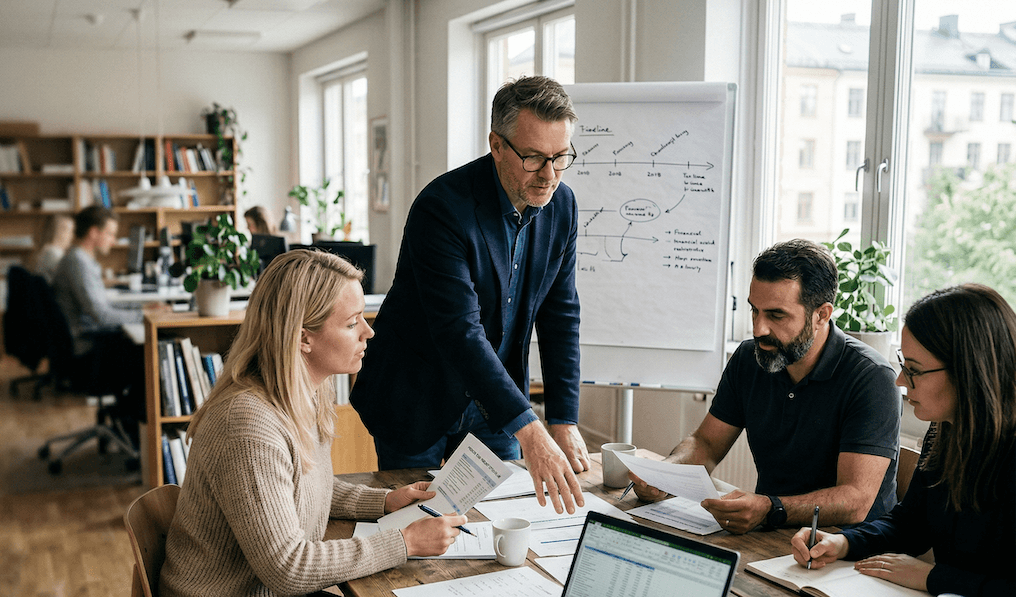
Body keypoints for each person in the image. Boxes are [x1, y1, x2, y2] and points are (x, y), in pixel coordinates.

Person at [159, 250, 465, 597]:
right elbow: (288, 568)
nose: (369, 332)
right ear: (303, 338)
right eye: (352, 323)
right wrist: (404, 542)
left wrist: (383, 502)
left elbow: (300, 488)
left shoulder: (302, 394)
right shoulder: (247, 426)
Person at [349, 75, 589, 515]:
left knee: (499, 523)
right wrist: (531, 431)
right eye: (534, 158)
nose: (549, 175)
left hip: (495, 402)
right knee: (412, 529)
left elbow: (561, 314)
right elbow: (460, 330)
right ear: (497, 145)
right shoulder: (442, 209)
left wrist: (562, 417)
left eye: (561, 157)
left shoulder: (563, 205)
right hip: (418, 396)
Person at [631, 239, 902, 533]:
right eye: (754, 310)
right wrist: (667, 473)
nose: (759, 329)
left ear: (821, 315)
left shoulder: (872, 378)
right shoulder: (750, 359)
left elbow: (855, 501)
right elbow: (706, 444)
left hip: (850, 548)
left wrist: (770, 508)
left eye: (776, 315)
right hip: (772, 532)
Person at [791, 284, 1016, 596]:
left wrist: (931, 578)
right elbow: (909, 525)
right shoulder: (945, 431)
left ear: (969, 371)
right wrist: (843, 542)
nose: (900, 381)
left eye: (914, 370)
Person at [52, 206, 149, 437]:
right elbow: (102, 315)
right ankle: (133, 426)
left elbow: (103, 309)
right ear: (94, 233)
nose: (114, 240)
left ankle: (127, 420)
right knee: (150, 355)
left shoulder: (80, 259)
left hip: (89, 342)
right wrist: (145, 315)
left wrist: (141, 309)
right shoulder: (77, 262)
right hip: (88, 352)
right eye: (111, 233)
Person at [33, 214, 74, 282]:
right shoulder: (53, 254)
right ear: (60, 232)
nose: (72, 235)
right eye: (70, 231)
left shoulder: (48, 250)